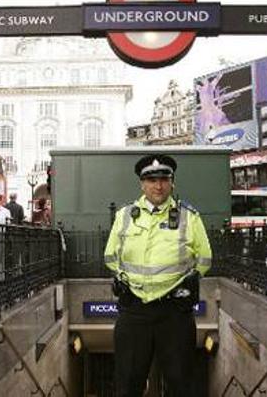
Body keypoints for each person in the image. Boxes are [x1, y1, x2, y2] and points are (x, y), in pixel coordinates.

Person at [103, 154, 213, 397]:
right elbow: (110, 256)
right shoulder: (125, 216)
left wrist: (192, 277)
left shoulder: (189, 216)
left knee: (180, 383)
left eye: (164, 179)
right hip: (134, 309)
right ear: (142, 184)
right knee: (127, 383)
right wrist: (121, 276)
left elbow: (205, 257)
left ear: (172, 182)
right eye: (151, 180)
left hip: (174, 312)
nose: (158, 185)